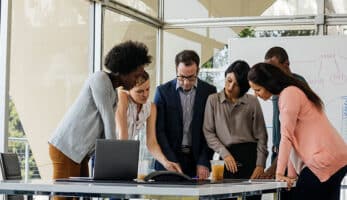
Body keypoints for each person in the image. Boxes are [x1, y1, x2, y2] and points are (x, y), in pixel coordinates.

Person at [48, 41, 151, 182]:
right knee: (63, 196)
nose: (137, 81)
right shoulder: (100, 79)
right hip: (66, 147)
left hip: (80, 152)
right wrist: (115, 159)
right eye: (135, 75)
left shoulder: (114, 93)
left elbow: (103, 131)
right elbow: (108, 121)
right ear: (124, 71)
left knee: (79, 196)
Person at [248, 62, 347, 200]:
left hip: (324, 160)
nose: (256, 94)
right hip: (336, 158)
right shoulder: (292, 91)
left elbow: (287, 137)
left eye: (257, 89)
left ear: (268, 83)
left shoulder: (289, 94)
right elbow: (294, 142)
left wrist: (279, 173)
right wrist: (291, 176)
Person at [203, 60, 268, 200]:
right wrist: (224, 153)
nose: (230, 87)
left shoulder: (252, 102)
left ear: (244, 87)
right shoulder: (212, 100)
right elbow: (208, 132)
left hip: (251, 158)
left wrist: (260, 164)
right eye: (229, 80)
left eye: (236, 84)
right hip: (226, 158)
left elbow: (262, 136)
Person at [154, 50, 217, 179]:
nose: (186, 83)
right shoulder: (162, 92)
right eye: (181, 77)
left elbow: (212, 129)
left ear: (198, 71)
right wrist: (171, 160)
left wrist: (204, 160)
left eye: (191, 77)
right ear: (176, 70)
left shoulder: (209, 92)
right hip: (168, 160)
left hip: (197, 162)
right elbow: (159, 131)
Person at [116, 71, 182, 174]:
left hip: (124, 153)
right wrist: (124, 164)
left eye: (148, 89)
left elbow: (151, 142)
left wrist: (166, 163)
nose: (145, 95)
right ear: (128, 89)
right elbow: (122, 136)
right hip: (110, 153)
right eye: (140, 91)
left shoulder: (150, 107)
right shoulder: (122, 98)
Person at [260, 46, 307, 179]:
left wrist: (275, 168)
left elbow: (290, 134)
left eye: (273, 68)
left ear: (286, 64)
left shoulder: (295, 87)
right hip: (279, 153)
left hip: (291, 154)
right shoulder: (277, 85)